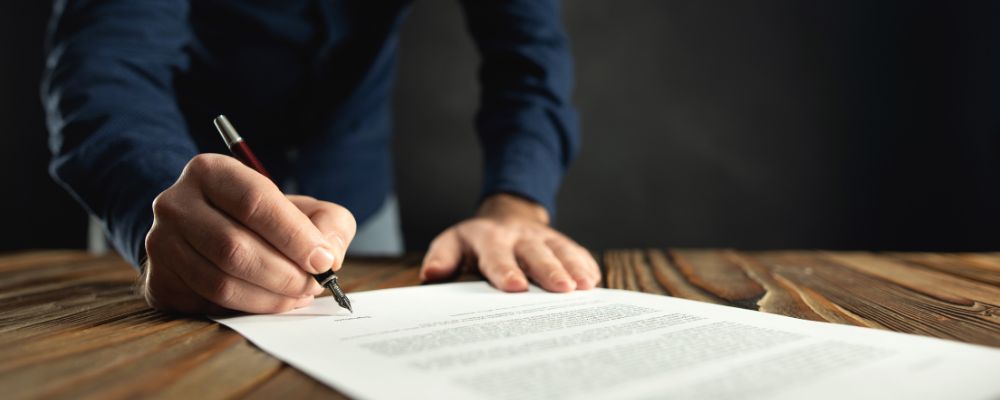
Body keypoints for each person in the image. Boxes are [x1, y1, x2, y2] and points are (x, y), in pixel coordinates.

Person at [42, 0, 600, 314]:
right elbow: (106, 65)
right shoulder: (167, 211)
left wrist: (515, 205)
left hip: (355, 191)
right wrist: (155, 207)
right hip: (171, 199)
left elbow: (529, 59)